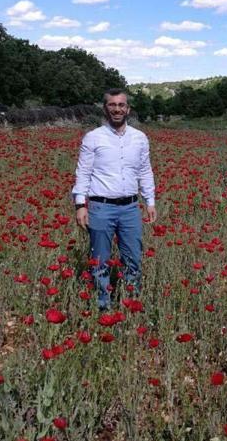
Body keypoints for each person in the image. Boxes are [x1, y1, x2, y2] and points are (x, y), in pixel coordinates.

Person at [71, 88, 157, 310]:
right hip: (101, 207)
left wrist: (150, 201)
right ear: (105, 108)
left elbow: (145, 170)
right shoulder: (93, 137)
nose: (117, 109)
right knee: (99, 261)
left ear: (128, 108)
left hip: (130, 207)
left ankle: (130, 305)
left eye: (121, 105)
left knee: (133, 259)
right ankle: (103, 307)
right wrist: (81, 204)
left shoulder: (139, 138)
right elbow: (83, 172)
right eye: (112, 105)